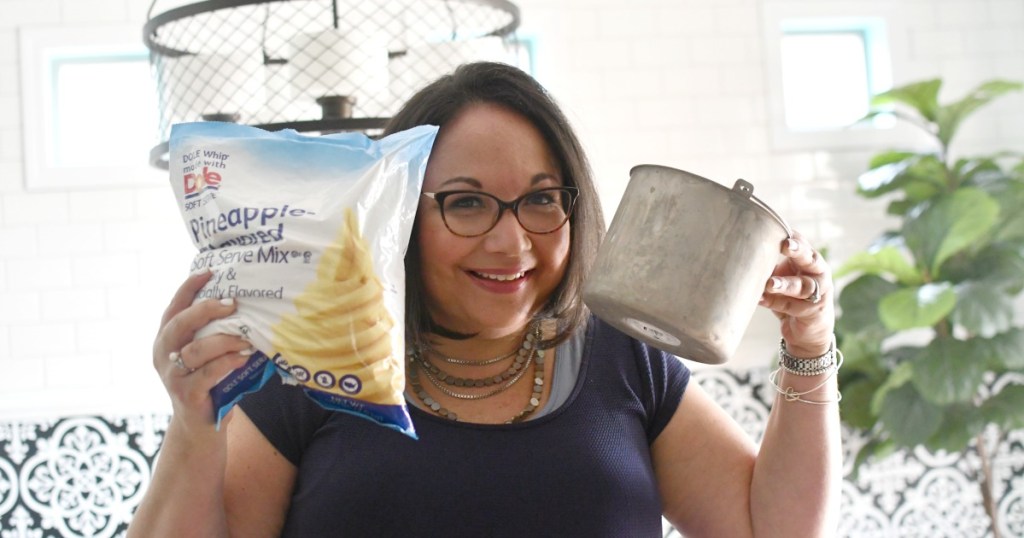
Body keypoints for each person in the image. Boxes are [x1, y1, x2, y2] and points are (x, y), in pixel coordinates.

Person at [129, 62, 841, 536]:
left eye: (538, 200)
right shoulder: (313, 369)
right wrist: (194, 427)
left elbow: (771, 530)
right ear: (400, 215)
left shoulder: (624, 360)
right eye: (467, 204)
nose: (511, 243)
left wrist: (810, 348)